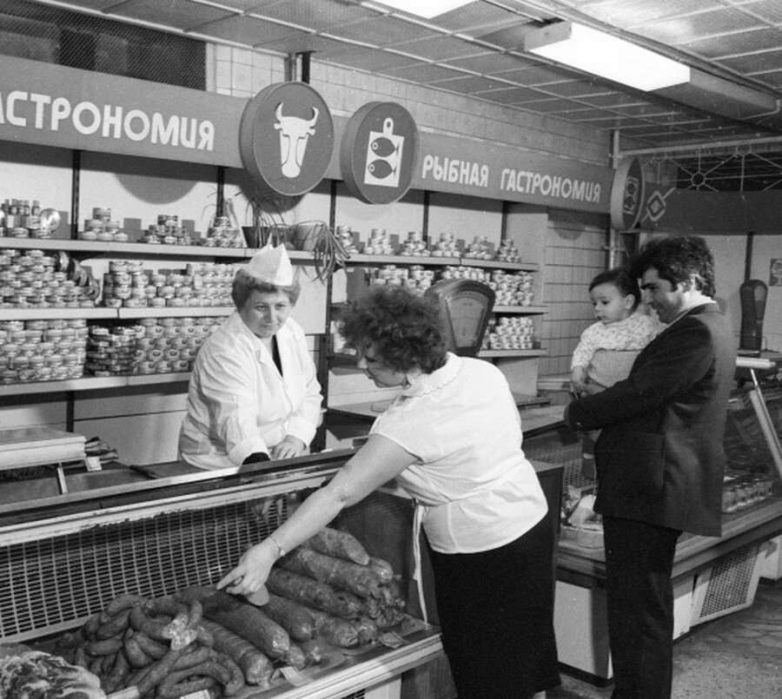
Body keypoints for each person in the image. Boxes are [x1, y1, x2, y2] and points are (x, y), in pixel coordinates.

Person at [218, 285, 561, 699]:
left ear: (407, 356)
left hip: (481, 549)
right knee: (525, 655)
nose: (362, 364)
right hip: (530, 525)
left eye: (373, 358)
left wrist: (269, 550)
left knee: (487, 672)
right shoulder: (480, 371)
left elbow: (339, 494)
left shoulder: (411, 420)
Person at [564, 235, 737, 699]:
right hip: (656, 485)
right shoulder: (709, 324)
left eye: (655, 288)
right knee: (642, 608)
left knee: (637, 612)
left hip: (650, 488)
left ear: (689, 280)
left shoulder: (695, 331)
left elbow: (642, 392)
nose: (648, 300)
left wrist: (579, 412)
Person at [178, 243, 323, 469]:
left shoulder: (291, 331)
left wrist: (295, 438)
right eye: (261, 307)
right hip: (219, 460)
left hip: (275, 453)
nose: (272, 318)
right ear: (241, 305)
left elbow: (310, 392)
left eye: (280, 306)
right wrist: (259, 465)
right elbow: (235, 416)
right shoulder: (225, 348)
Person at [570, 267, 661, 477]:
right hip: (597, 391)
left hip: (631, 396)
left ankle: (620, 472)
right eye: (594, 303)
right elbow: (581, 353)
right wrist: (577, 371)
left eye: (604, 302)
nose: (597, 309)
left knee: (624, 440)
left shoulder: (647, 326)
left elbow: (658, 354)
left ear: (628, 302)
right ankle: (591, 470)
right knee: (594, 434)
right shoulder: (594, 331)